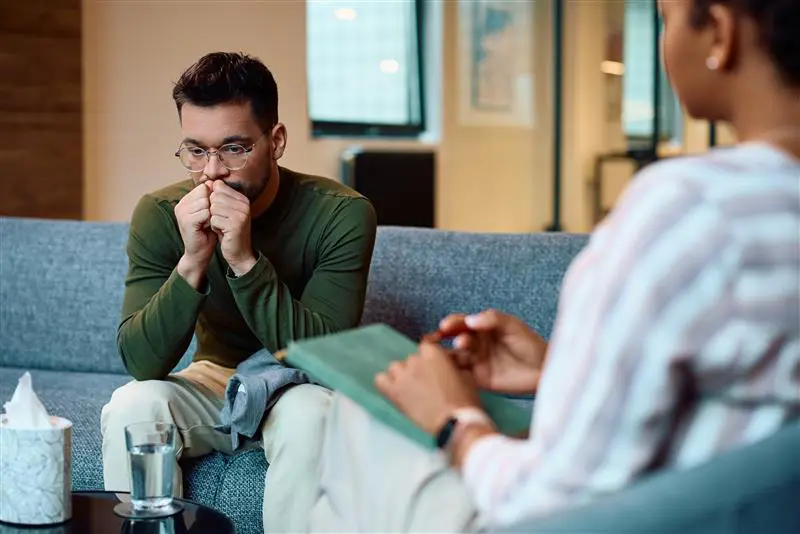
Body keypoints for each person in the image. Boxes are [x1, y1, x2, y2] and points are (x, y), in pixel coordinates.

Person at [307, 0, 800, 531]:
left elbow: (548, 502)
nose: (663, 42)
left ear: (721, 34)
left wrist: (456, 422)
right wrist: (557, 369)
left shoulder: (691, 210)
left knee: (362, 406)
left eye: (665, 18)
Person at [99, 52, 377, 532]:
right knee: (132, 405)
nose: (212, 173)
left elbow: (323, 358)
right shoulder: (161, 212)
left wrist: (244, 260)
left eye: (233, 148)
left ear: (276, 141)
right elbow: (143, 363)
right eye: (195, 150)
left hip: (298, 386)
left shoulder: (342, 213)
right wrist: (192, 261)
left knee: (310, 416)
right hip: (214, 379)